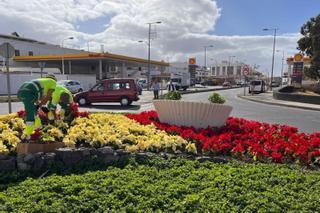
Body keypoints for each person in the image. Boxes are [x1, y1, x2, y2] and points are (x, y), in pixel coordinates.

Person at [17, 74, 57, 138]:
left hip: (21, 91)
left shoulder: (42, 81)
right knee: (30, 114)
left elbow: (38, 96)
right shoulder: (53, 82)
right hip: (28, 93)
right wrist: (41, 104)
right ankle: (28, 135)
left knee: (34, 111)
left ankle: (37, 128)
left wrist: (38, 105)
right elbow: (46, 98)